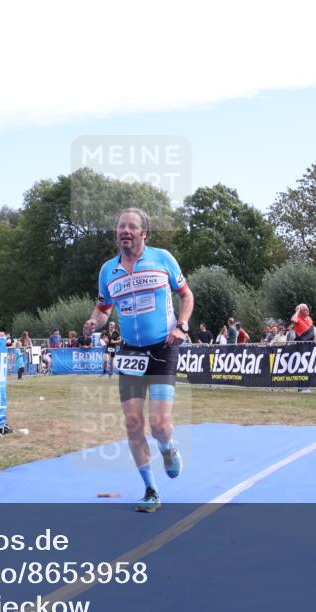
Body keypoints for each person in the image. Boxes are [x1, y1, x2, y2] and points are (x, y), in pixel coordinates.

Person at [83, 207, 194, 513]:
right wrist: (94, 322)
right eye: (121, 227)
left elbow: (187, 295)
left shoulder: (162, 259)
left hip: (163, 347)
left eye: (132, 227)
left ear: (144, 233)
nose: (125, 231)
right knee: (133, 423)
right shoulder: (108, 270)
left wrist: (182, 326)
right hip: (130, 352)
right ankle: (150, 490)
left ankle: (168, 448)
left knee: (159, 424)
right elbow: (104, 310)